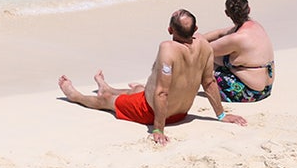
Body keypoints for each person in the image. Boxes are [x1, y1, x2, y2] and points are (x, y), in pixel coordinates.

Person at [57, 9, 246, 144]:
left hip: (154, 112)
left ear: (170, 30)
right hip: (181, 111)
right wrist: (221, 115)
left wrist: (158, 129)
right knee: (141, 89)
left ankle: (76, 96)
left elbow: (162, 93)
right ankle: (108, 87)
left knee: (107, 101)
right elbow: (209, 82)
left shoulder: (168, 48)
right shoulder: (204, 45)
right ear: (195, 29)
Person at [202, 0, 275, 103]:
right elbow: (220, 33)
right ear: (249, 9)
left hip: (249, 93)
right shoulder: (255, 26)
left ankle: (184, 90)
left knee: (204, 60)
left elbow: (203, 50)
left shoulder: (236, 39)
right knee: (222, 59)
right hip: (267, 89)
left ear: (227, 13)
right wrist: (199, 37)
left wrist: (189, 40)